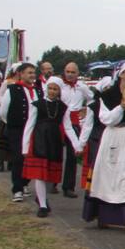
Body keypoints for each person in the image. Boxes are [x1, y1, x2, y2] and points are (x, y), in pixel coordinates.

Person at [83, 61, 125, 233]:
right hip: (113, 137)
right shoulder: (108, 95)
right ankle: (106, 216)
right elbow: (106, 119)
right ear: (121, 74)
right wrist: (121, 107)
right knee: (110, 178)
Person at [23, 79, 80, 217]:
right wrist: (25, 146)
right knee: (40, 175)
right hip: (40, 139)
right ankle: (42, 205)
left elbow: (68, 127)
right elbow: (29, 125)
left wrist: (76, 144)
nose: (52, 91)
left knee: (50, 176)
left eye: (55, 89)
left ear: (59, 91)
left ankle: (41, 197)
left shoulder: (63, 107)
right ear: (46, 89)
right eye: (50, 88)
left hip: (54, 141)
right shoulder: (37, 105)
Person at [49, 62, 93, 198]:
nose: (70, 74)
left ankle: (68, 187)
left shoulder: (82, 87)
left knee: (72, 155)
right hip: (58, 120)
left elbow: (92, 99)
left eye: (73, 72)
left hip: (73, 122)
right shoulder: (59, 85)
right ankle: (53, 182)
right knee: (54, 152)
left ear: (78, 73)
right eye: (68, 71)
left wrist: (87, 110)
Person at [0, 63, 39, 202]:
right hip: (17, 128)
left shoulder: (37, 91)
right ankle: (17, 188)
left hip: (33, 129)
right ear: (20, 74)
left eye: (33, 72)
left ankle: (25, 183)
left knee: (31, 158)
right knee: (18, 158)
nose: (32, 75)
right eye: (29, 72)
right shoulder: (13, 89)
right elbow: (3, 111)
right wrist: (13, 124)